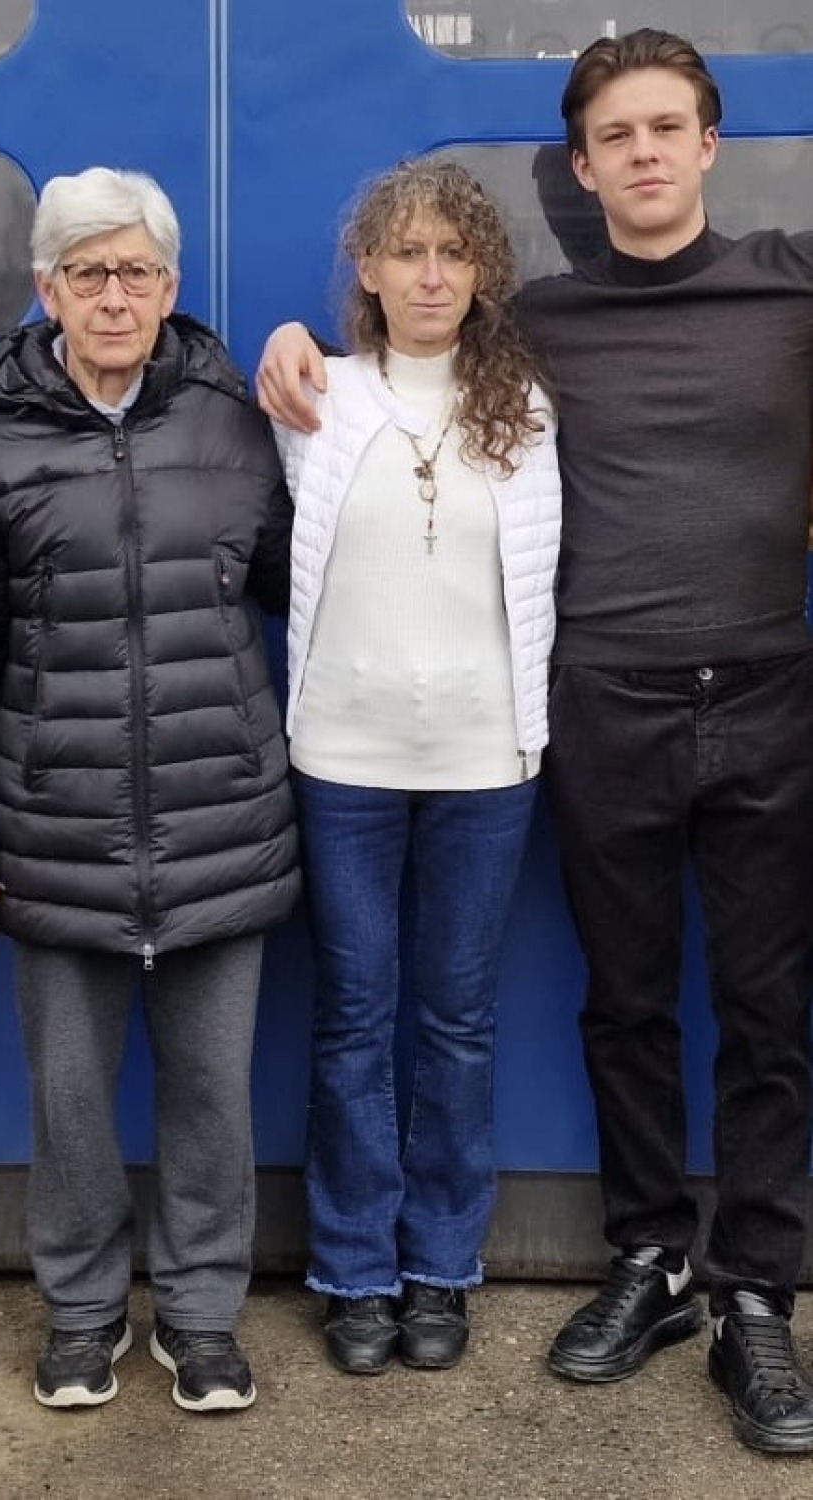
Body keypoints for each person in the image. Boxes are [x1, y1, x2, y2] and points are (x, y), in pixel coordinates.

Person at [256, 29, 813, 1454]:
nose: (643, 152)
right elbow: (388, 370)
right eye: (615, 135)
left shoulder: (793, 285)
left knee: (766, 1009)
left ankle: (758, 1293)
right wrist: (281, 344)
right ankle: (654, 1260)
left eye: (666, 127)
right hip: (602, 704)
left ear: (709, 144)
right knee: (625, 1002)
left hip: (765, 693)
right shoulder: (536, 331)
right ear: (582, 166)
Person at [0, 167, 298, 1415]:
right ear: (49, 291)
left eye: (137, 271)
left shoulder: (237, 440)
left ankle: (201, 1316)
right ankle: (82, 1314)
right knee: (70, 1100)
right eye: (89, 273)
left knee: (212, 1093)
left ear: (170, 286)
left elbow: (315, 598)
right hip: (55, 833)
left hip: (219, 822)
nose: (115, 296)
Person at [276, 159, 560, 1377]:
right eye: (407, 252)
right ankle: (354, 1269)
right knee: (352, 1017)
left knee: (456, 1020)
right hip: (342, 758)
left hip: (487, 764)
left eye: (453, 252)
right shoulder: (315, 395)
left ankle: (441, 1262)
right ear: (370, 270)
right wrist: (280, 341)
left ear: (483, 270)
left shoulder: (527, 408)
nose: (431, 275)